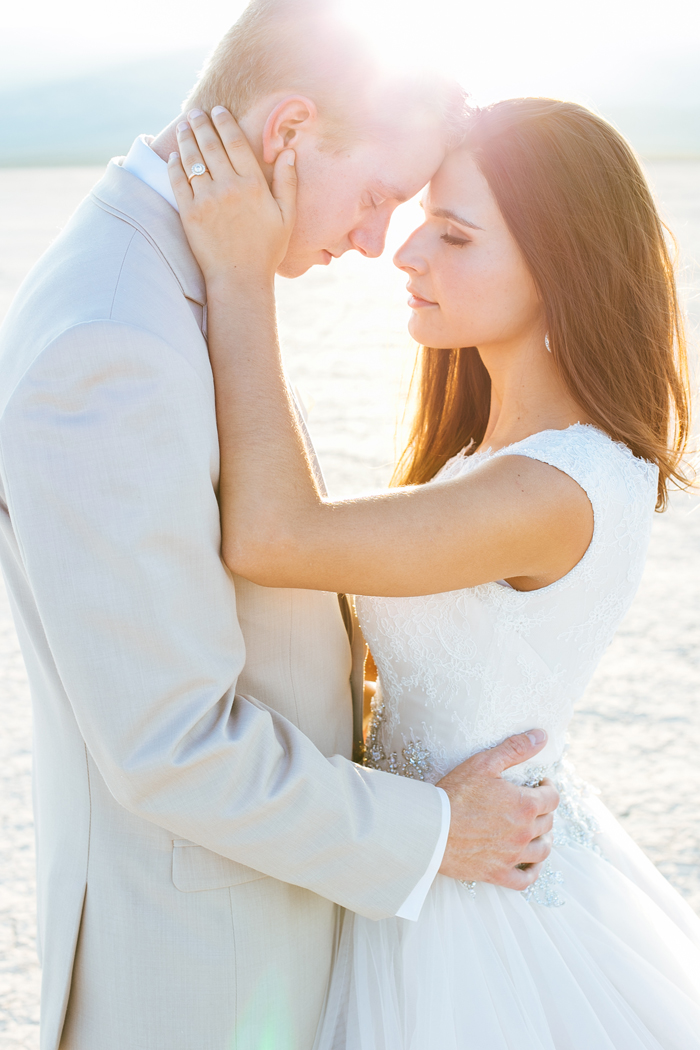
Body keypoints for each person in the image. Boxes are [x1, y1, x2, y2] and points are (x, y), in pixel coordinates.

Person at [0, 3, 559, 1048]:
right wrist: (440, 833)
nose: (368, 242)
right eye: (379, 198)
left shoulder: (177, 284)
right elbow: (169, 745)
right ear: (288, 131)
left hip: (250, 941)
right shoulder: (113, 340)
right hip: (191, 980)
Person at [168, 96, 700, 1047]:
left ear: (560, 266)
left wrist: (241, 275)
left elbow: (273, 539)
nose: (407, 255)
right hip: (430, 871)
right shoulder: (501, 464)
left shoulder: (552, 488)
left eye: (454, 237)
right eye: (421, 223)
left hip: (476, 926)